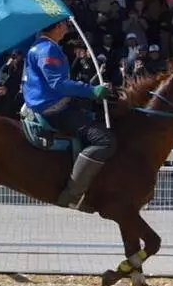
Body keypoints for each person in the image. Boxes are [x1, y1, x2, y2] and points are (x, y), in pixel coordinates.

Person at [22, 19, 114, 210]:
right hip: (54, 108)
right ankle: (73, 195)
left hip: (43, 103)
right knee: (105, 141)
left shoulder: (37, 46)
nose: (66, 27)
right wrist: (92, 91)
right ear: (56, 27)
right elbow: (59, 84)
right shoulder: (48, 49)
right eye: (64, 24)